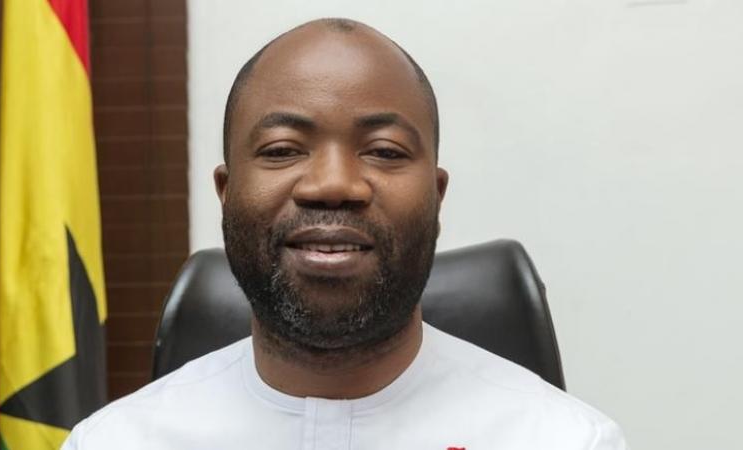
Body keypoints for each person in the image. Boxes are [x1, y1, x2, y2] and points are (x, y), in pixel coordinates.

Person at [63, 18, 628, 450]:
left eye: (383, 151)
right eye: (282, 150)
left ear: (436, 196)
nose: (333, 185)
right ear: (225, 192)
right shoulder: (116, 442)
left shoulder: (562, 440)